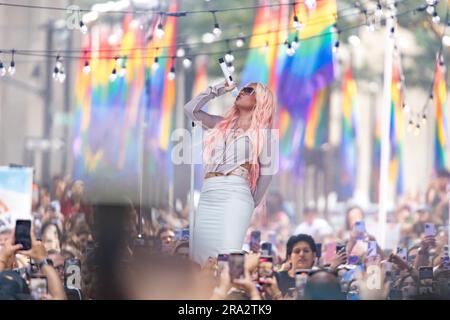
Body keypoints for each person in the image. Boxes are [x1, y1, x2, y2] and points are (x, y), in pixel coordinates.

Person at [184, 80, 277, 266]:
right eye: (242, 89)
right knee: (200, 259)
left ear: (260, 100)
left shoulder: (264, 134)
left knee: (227, 258)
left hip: (236, 193)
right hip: (209, 192)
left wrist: (251, 201)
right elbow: (190, 110)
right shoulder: (220, 124)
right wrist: (217, 89)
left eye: (249, 90)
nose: (242, 91)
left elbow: (267, 173)